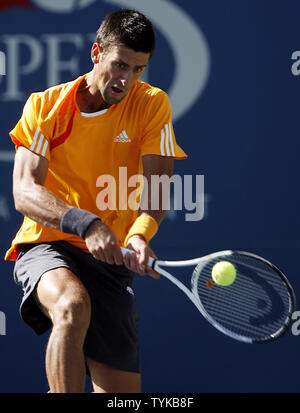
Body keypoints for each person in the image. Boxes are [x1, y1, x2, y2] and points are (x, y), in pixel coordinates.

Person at [5, 8, 187, 393]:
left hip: (109, 260)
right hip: (48, 243)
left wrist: (139, 235)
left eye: (138, 69)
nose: (126, 79)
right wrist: (86, 224)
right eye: (120, 64)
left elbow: (156, 187)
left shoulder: (152, 104)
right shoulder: (45, 106)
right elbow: (24, 191)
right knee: (72, 306)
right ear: (96, 53)